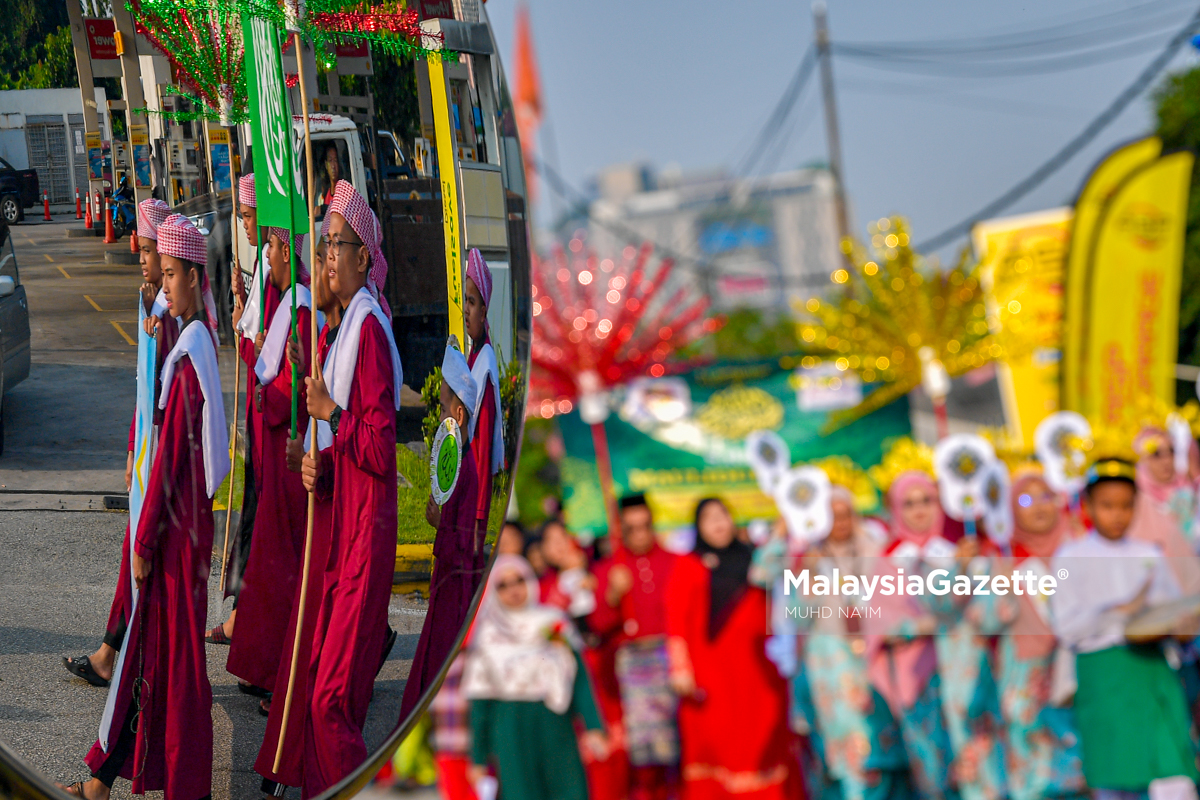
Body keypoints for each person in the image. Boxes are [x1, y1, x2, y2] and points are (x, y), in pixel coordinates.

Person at [61, 213, 229, 800]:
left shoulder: (187, 358)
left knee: (174, 668)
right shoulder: (198, 343)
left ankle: (176, 784)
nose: (164, 286)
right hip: (186, 531)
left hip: (175, 537)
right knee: (150, 657)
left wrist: (144, 540)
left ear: (192, 278)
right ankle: (101, 777)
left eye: (173, 276)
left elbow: (168, 468)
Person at [281, 180, 403, 797]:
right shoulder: (348, 327)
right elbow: (350, 450)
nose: (329, 253)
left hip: (366, 537)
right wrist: (319, 467)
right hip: (345, 527)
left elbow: (383, 448)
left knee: (329, 702)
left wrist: (330, 413)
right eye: (326, 241)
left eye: (339, 242)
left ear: (365, 257)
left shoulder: (371, 332)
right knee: (330, 698)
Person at [62, 197, 177, 688]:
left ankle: (119, 653)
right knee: (136, 551)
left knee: (143, 552)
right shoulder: (147, 298)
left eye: (151, 252)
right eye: (144, 250)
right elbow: (140, 381)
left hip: (167, 455)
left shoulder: (173, 310)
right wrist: (133, 444)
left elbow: (167, 391)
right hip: (147, 447)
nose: (144, 259)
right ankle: (118, 651)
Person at [1051, 458, 1200, 800]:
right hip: (1105, 678)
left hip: (1152, 673)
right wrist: (1122, 612)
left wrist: (1179, 627)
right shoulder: (1070, 557)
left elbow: (1170, 610)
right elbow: (1068, 627)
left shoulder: (1149, 553)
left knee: (1171, 766)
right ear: (1088, 504)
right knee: (1116, 773)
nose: (1117, 515)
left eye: (1125, 506)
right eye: (1107, 506)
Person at [754, 485, 913, 800]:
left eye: (845, 515)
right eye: (832, 516)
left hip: (874, 666)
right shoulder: (809, 558)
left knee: (885, 752)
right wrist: (789, 537)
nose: (840, 522)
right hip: (831, 668)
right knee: (847, 754)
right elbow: (779, 595)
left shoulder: (876, 550)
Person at [225, 227, 319, 713]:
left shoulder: (300, 307)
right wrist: (250, 344)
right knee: (270, 568)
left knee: (282, 572)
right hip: (273, 455)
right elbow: (269, 370)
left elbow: (284, 395)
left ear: (286, 249)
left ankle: (278, 676)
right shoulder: (286, 300)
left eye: (269, 244)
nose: (263, 252)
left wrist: (264, 379)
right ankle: (265, 670)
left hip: (288, 459)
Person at [666, 498, 802, 800]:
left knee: (761, 740)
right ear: (698, 527)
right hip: (711, 675)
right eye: (709, 518)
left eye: (723, 515)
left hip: (757, 670)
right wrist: (680, 668)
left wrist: (783, 526)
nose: (718, 523)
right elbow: (676, 619)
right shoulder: (689, 564)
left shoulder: (754, 557)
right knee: (720, 745)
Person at [463, 554, 607, 800]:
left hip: (554, 721)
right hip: (509, 724)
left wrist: (593, 726)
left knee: (568, 789)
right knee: (521, 792)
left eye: (519, 580)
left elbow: (579, 678)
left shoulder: (552, 621)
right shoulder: (487, 634)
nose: (514, 590)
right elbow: (480, 702)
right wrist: (477, 758)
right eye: (503, 585)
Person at [862, 450, 956, 800]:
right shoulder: (886, 561)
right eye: (910, 503)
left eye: (927, 501)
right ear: (897, 510)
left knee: (971, 764)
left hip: (961, 672)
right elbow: (878, 624)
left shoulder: (954, 553)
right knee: (930, 770)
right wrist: (923, 626)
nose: (920, 511)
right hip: (913, 677)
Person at [399, 341, 482, 718]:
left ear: (459, 415)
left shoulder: (468, 469)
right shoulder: (458, 461)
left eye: (443, 401)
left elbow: (466, 545)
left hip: (455, 589)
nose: (437, 411)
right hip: (445, 579)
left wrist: (439, 526)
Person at [993, 468, 1087, 800]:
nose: (1039, 507)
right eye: (1026, 499)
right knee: (1038, 776)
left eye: (1046, 496)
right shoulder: (1003, 558)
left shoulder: (1081, 547)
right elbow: (985, 619)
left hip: (1082, 671)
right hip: (1027, 679)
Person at [587, 494, 680, 800]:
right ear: (620, 530)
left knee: (680, 751)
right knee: (645, 760)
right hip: (634, 674)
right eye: (632, 528)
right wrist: (613, 594)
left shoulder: (675, 562)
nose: (640, 534)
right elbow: (598, 626)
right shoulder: (608, 569)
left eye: (645, 526)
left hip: (674, 664)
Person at [211, 172, 267, 644]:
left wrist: (242, 328)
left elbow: (267, 357)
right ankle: (242, 617)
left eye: (247, 216)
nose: (245, 227)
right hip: (259, 417)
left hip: (274, 424)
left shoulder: (285, 278)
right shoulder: (266, 271)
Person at [1130, 426, 1200, 594]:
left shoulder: (1191, 494)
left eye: (1172, 451)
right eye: (1156, 454)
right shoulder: (1133, 504)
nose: (1167, 460)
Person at [465, 248, 504, 536]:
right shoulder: (472, 357)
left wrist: (478, 517)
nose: (466, 310)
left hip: (473, 504)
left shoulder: (485, 367)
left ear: (484, 310)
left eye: (472, 302)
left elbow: (484, 446)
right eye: (465, 300)